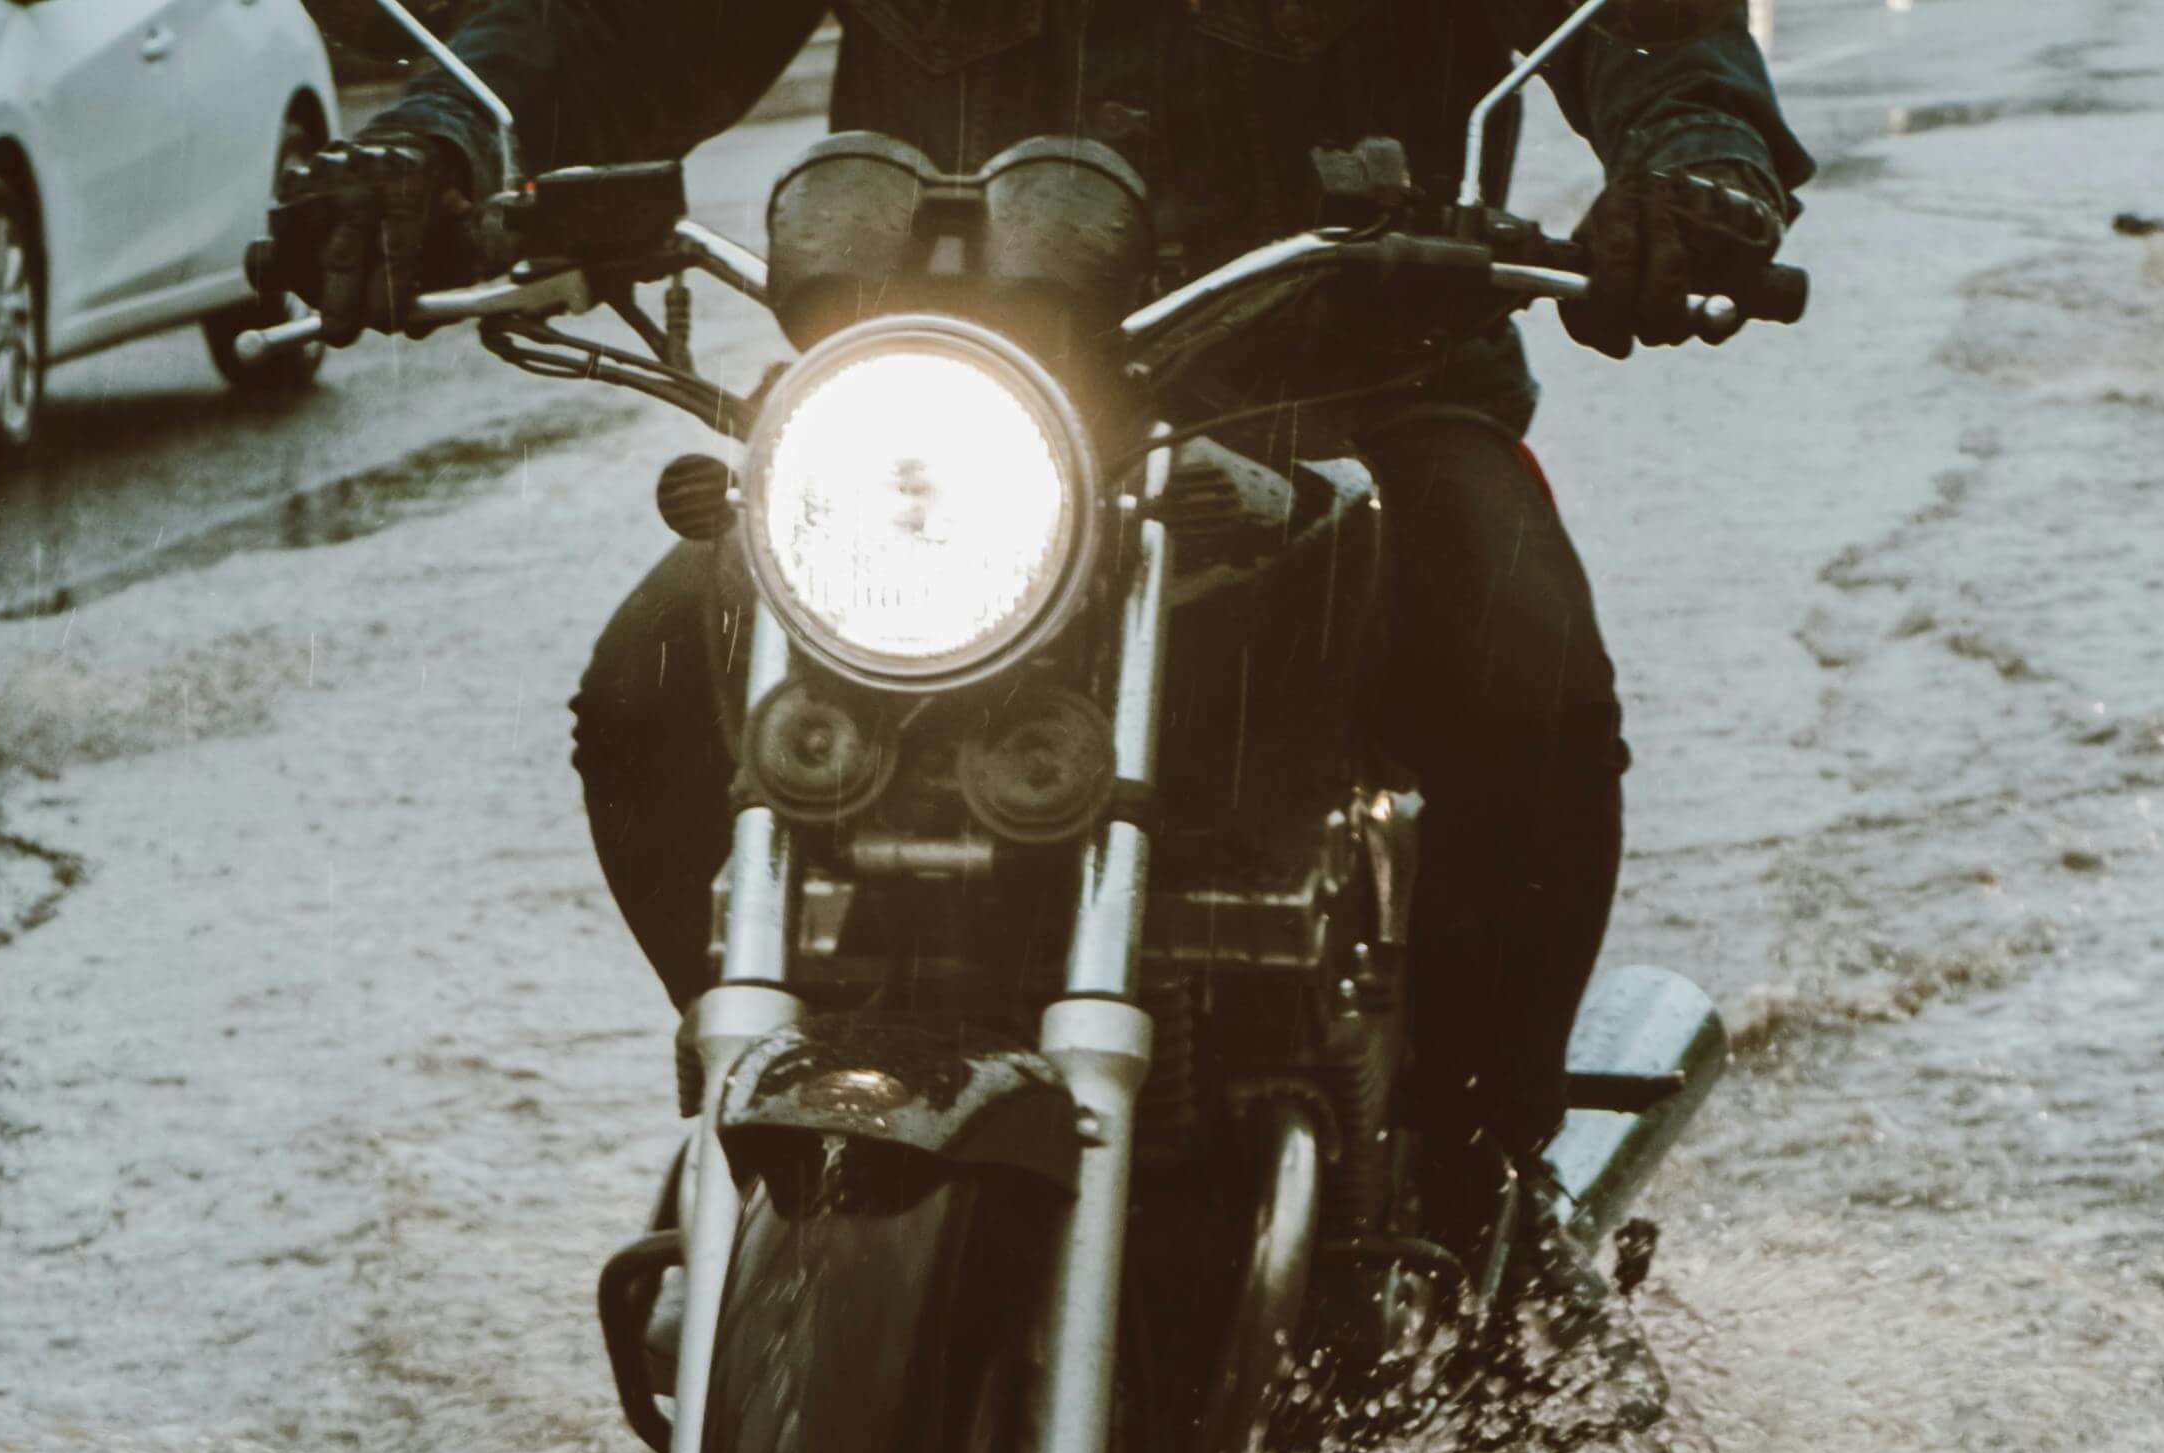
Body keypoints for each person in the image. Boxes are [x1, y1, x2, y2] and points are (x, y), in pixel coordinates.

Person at [269, 4, 1803, 1270]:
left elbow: (1642, 20)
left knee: (1516, 671)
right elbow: (614, 31)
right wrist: (435, 138)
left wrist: (1699, 151)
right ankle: (773, 1085)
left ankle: (1479, 1204)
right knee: (658, 685)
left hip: (1355, 395)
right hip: (968, 429)